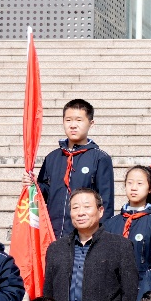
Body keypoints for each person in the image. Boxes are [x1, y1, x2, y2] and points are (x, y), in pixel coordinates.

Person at [43, 188, 139, 301]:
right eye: (75, 208)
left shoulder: (120, 246)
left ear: (100, 211)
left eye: (87, 207)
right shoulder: (56, 249)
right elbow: (48, 295)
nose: (80, 212)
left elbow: (130, 294)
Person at [34, 98, 114, 235]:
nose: (73, 125)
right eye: (68, 120)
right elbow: (44, 195)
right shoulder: (52, 157)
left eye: (79, 120)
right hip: (53, 233)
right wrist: (32, 185)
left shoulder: (100, 158)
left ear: (91, 123)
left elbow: (106, 202)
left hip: (85, 234)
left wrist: (101, 237)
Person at [104, 166, 151, 275]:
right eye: (130, 183)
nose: (133, 188)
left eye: (139, 183)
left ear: (150, 188)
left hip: (142, 282)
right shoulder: (111, 223)